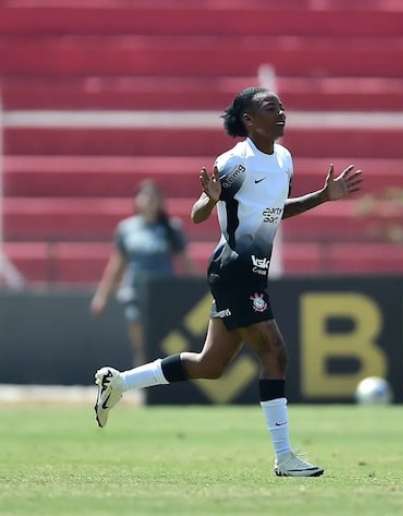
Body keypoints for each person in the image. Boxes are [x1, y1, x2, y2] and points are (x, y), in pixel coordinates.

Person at [93, 87, 363, 478]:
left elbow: (273, 211)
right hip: (234, 267)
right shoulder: (236, 162)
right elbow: (199, 213)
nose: (281, 112)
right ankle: (284, 456)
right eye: (271, 107)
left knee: (211, 364)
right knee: (276, 354)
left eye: (282, 106)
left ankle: (118, 383)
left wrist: (322, 196)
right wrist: (210, 199)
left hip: (253, 268)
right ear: (250, 121)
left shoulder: (284, 159)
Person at [91, 180, 193, 366]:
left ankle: (164, 375)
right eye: (145, 196)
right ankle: (142, 371)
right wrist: (102, 296)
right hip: (135, 290)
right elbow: (117, 264)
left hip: (163, 291)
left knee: (163, 338)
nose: (149, 200)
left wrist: (193, 291)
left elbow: (186, 262)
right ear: (136, 200)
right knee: (137, 330)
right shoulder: (126, 228)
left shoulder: (172, 228)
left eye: (154, 196)